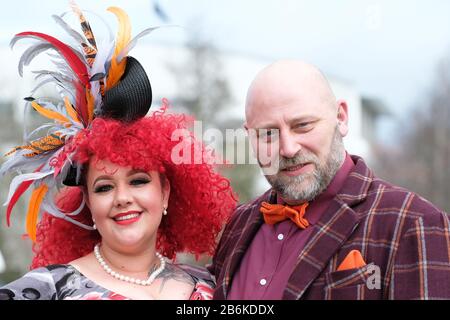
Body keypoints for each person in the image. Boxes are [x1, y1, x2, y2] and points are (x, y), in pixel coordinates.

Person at [0, 3, 236, 300]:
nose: (122, 198)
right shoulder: (48, 289)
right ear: (88, 203)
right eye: (104, 187)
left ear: (165, 193)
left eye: (138, 180)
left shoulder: (212, 285)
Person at [208, 59, 450, 300]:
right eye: (268, 134)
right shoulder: (237, 224)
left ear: (341, 117)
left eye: (303, 126)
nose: (288, 149)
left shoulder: (413, 223)